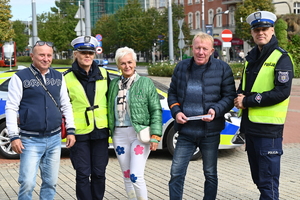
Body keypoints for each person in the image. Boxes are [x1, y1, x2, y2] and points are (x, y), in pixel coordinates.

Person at [168, 32, 236, 200]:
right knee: (176, 173)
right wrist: (176, 112)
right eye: (197, 48)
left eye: (205, 49)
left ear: (212, 50)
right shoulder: (182, 67)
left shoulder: (222, 68)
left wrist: (215, 110)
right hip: (185, 132)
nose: (200, 52)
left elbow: (229, 97)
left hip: (210, 132)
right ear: (192, 48)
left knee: (210, 173)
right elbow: (172, 94)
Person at [234, 11, 294, 200]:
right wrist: (238, 98)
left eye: (264, 29)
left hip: (269, 131)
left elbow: (281, 92)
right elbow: (243, 89)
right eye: (256, 29)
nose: (261, 32)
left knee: (268, 183)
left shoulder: (281, 58)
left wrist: (248, 101)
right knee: (259, 180)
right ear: (252, 33)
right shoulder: (251, 59)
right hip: (251, 128)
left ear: (272, 30)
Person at [5, 41, 76, 200]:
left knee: (50, 183)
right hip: (30, 140)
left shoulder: (58, 77)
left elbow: (66, 104)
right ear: (32, 56)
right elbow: (11, 108)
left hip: (54, 138)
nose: (46, 58)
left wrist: (71, 130)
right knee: (28, 183)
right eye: (41, 55)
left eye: (49, 55)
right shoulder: (20, 77)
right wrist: (14, 136)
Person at [107, 47, 162, 200]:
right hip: (119, 134)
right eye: (123, 63)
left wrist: (156, 135)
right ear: (118, 65)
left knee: (135, 175)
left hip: (139, 133)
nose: (127, 66)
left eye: (129, 62)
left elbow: (156, 109)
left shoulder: (145, 83)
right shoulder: (113, 85)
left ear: (135, 63)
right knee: (126, 175)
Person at [64, 36, 111, 200]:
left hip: (101, 132)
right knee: (83, 174)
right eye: (83, 52)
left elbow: (112, 100)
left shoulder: (104, 74)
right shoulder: (66, 77)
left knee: (99, 173)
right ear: (76, 54)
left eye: (90, 53)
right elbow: (63, 106)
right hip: (79, 133)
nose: (87, 56)